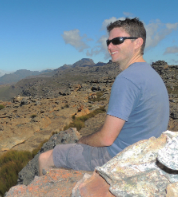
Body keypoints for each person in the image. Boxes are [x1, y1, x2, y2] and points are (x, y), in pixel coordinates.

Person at [38, 18, 169, 175]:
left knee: (45, 158)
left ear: (137, 43)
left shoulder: (127, 79)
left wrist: (83, 141)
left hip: (118, 158)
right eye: (108, 42)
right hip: (146, 157)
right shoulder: (152, 74)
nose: (110, 46)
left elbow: (106, 139)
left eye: (117, 40)